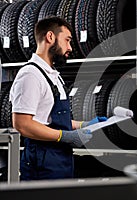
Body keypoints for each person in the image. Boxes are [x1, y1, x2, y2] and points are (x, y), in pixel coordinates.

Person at [9, 16, 106, 180]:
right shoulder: (30, 75)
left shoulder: (54, 75)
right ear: (50, 37)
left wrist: (86, 124)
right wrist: (65, 136)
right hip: (41, 163)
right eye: (67, 40)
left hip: (60, 159)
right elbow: (22, 124)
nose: (70, 48)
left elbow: (51, 118)